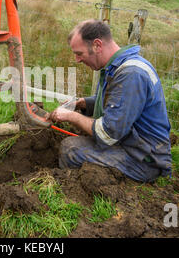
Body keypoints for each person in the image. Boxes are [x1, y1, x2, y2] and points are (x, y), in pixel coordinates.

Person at [47, 19, 172, 182]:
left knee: (70, 149)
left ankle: (74, 193)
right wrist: (84, 103)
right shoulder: (117, 66)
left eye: (79, 53)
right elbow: (117, 102)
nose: (77, 60)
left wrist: (71, 116)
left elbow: (107, 134)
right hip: (134, 144)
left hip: (143, 160)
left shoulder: (130, 75)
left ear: (97, 45)